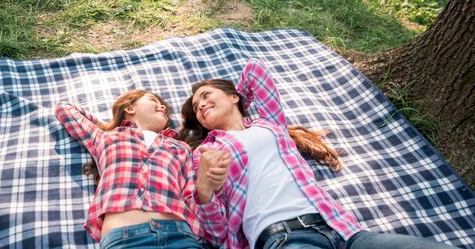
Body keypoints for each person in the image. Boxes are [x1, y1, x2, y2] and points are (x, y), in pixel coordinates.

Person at [179, 58, 454, 249]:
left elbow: (254, 71)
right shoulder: (206, 152)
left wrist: (237, 103)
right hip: (285, 236)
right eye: (197, 107)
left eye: (205, 95)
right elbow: (215, 236)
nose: (201, 105)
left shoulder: (270, 123)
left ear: (235, 96)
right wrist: (204, 191)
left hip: (344, 231)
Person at [55, 89, 219, 249]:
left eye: (164, 108)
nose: (162, 107)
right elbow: (64, 109)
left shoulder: (180, 148)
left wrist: (207, 188)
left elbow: (190, 199)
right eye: (153, 101)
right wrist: (109, 126)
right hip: (124, 238)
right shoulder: (105, 138)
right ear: (130, 108)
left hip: (179, 236)